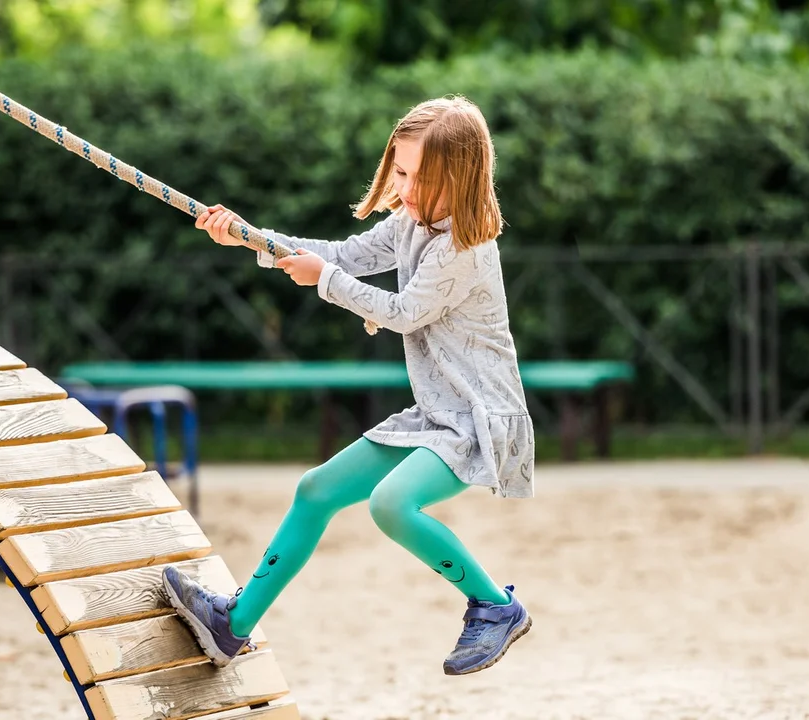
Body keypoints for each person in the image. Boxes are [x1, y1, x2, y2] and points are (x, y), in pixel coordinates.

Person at [163, 95, 535, 676]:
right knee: (316, 491)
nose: (406, 189)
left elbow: (405, 311)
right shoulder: (412, 223)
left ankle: (496, 607)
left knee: (392, 503)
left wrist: (327, 281)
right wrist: (251, 238)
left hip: (477, 418)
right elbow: (343, 255)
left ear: (460, 176)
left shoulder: (464, 247)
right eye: (401, 171)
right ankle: (231, 627)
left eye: (421, 178)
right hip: (436, 414)